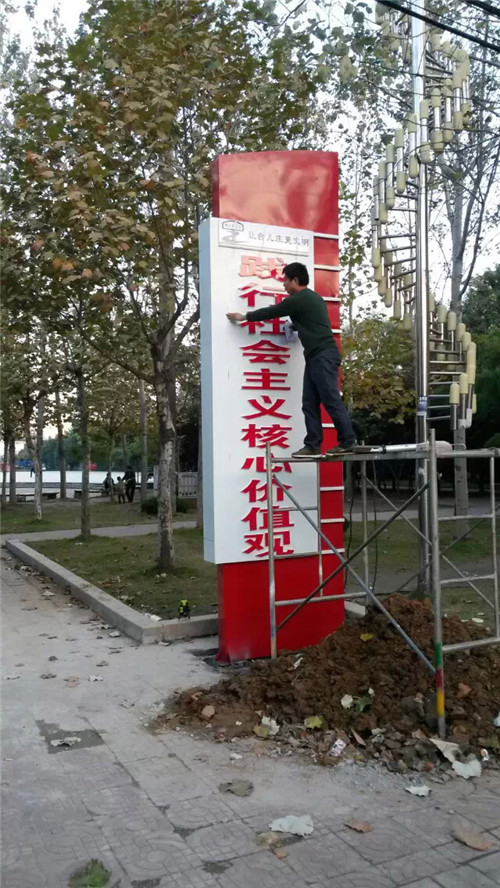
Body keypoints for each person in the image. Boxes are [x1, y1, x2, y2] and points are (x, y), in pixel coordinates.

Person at [227, 262, 357, 458]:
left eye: (286, 280)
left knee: (330, 399)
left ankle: (348, 441)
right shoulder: (313, 298)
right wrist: (295, 326)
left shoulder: (299, 298)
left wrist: (244, 316)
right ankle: (312, 445)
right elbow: (312, 322)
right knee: (309, 403)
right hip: (316, 357)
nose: (284, 285)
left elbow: (271, 312)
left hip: (322, 356)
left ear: (295, 280)